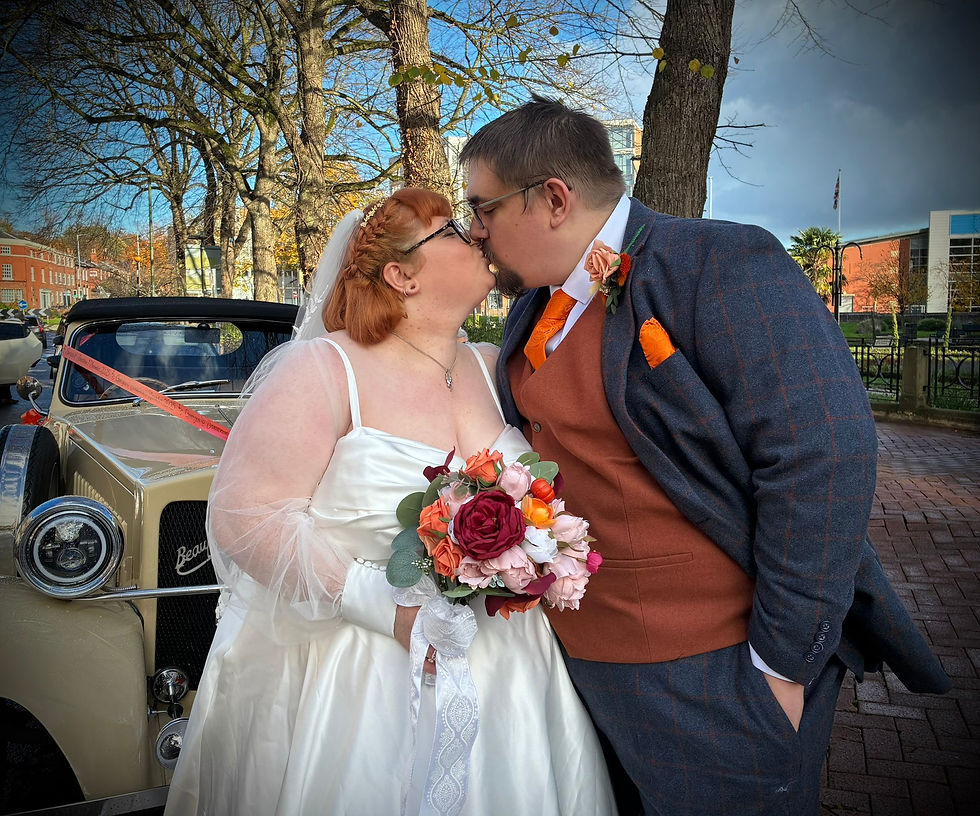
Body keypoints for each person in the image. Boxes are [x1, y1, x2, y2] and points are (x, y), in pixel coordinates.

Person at [458, 96, 950, 816]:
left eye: (484, 208)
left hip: (713, 679)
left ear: (553, 199)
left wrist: (779, 667)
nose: (476, 231)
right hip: (579, 672)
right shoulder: (535, 307)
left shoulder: (717, 261)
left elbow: (823, 457)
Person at [164, 188, 617, 816]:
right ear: (402, 275)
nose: (478, 236)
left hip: (514, 673)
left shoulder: (495, 367)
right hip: (366, 674)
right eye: (454, 230)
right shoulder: (323, 369)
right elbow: (248, 517)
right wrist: (383, 605)